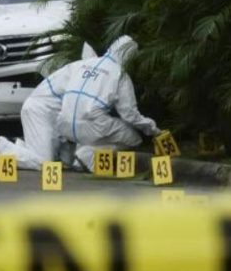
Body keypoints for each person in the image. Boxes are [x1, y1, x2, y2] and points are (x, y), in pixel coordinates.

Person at [55, 35, 158, 172]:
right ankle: (90, 154)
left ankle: (76, 160)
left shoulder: (86, 63)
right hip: (91, 126)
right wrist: (151, 128)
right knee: (134, 139)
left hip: (63, 124)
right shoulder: (119, 73)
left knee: (92, 124)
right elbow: (129, 114)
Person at [0, 43, 97, 170]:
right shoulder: (86, 76)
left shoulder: (84, 70)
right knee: (45, 163)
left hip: (51, 113)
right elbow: (73, 116)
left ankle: (16, 143)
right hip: (41, 111)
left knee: (63, 163)